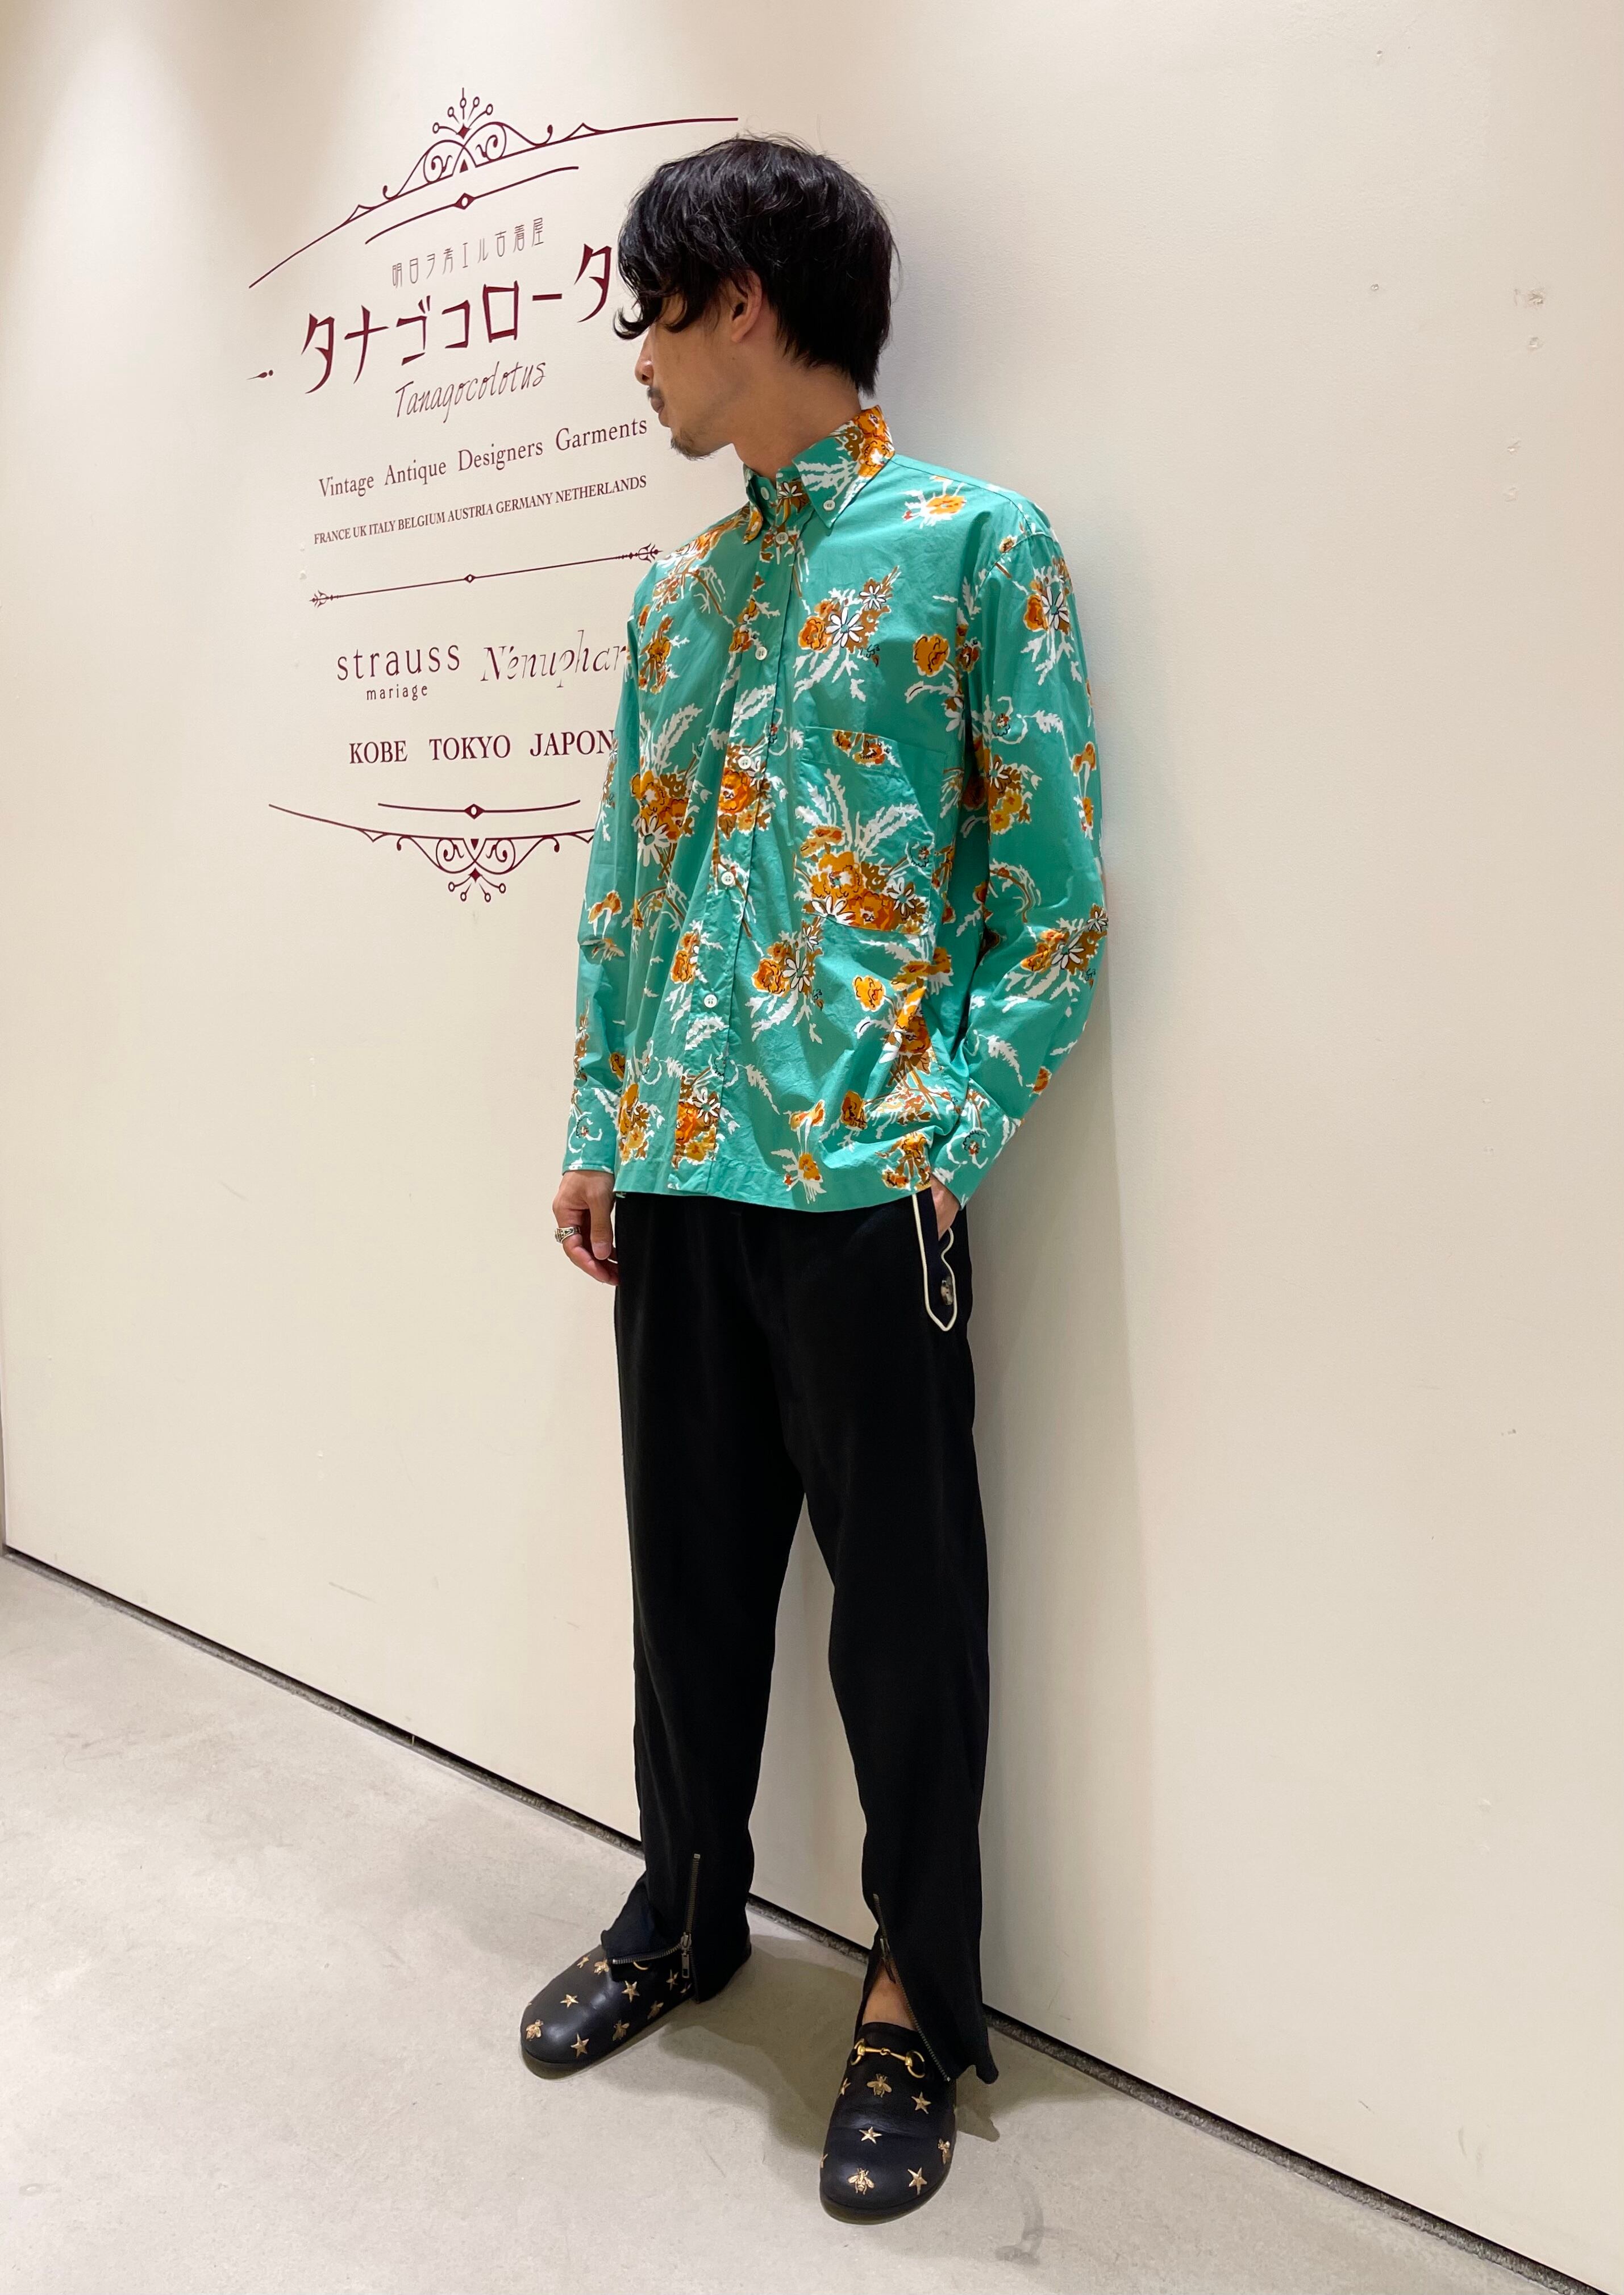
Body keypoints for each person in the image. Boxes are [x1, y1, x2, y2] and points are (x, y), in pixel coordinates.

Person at [520, 134, 1107, 2219]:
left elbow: (1051, 902)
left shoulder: (975, 548)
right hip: (681, 1175)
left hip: (865, 1186)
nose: (638, 363)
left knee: (906, 1623)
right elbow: (629, 884)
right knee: (684, 1593)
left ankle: (913, 1997)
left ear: (743, 301)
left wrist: (947, 1134)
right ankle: (684, 1909)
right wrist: (600, 1123)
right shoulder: (677, 597)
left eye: (652, 317)